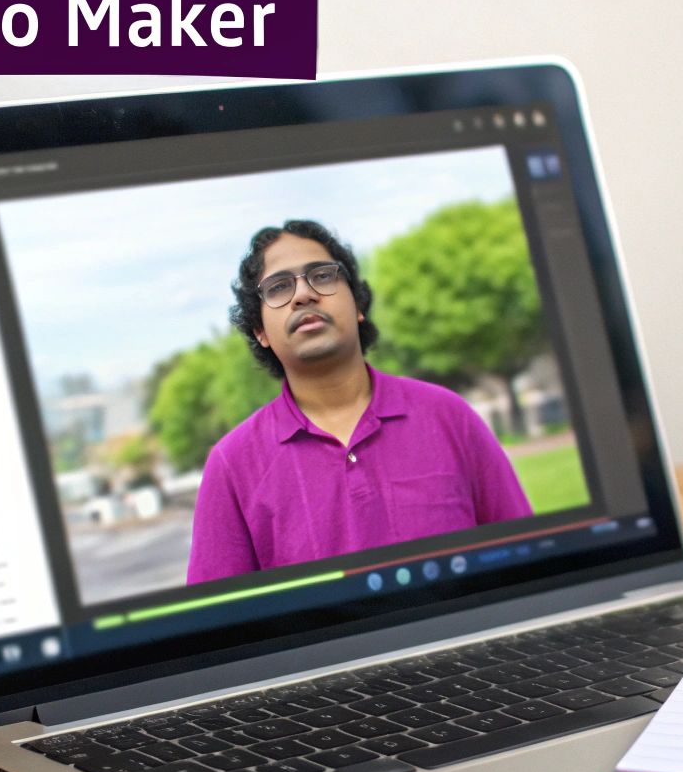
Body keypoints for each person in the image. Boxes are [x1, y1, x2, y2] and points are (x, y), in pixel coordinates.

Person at [186, 219, 532, 581]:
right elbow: (222, 625)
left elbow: (528, 559)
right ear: (260, 332)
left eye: (322, 276)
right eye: (278, 287)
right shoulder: (231, 465)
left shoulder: (448, 416)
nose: (304, 295)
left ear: (358, 304)